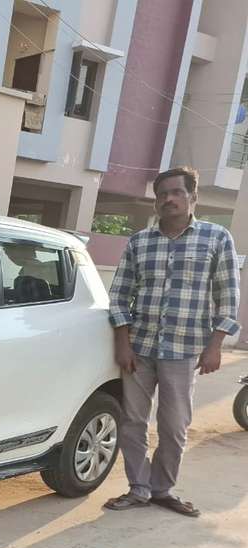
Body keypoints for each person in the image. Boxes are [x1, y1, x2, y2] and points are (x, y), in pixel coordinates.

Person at [103, 167, 241, 517]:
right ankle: (138, 488)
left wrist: (215, 346)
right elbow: (119, 296)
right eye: (162, 194)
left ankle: (162, 489)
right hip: (140, 349)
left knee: (174, 425)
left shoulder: (216, 238)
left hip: (184, 350)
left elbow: (228, 296)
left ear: (193, 197)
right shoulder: (140, 241)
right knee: (132, 421)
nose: (168, 199)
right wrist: (123, 341)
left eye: (176, 192)